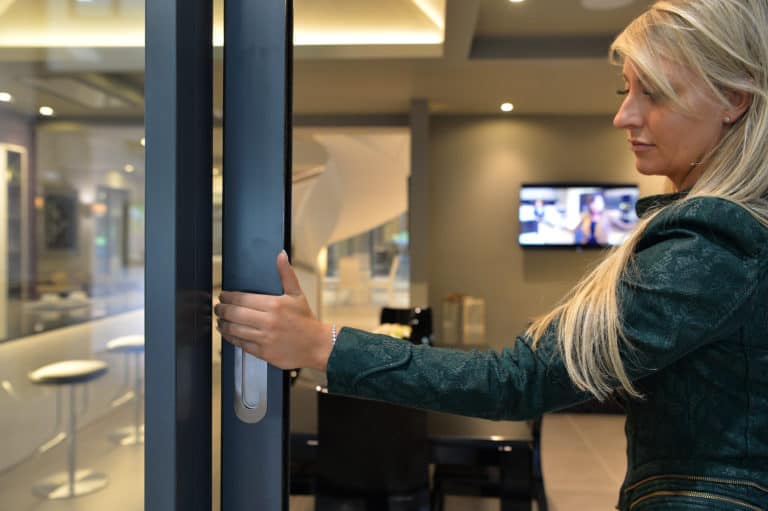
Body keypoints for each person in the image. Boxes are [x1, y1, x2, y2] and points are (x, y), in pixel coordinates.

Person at [215, 1, 768, 509]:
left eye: (654, 93)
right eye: (624, 91)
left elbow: (517, 382)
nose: (624, 116)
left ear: (734, 99)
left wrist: (318, 344)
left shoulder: (714, 241)